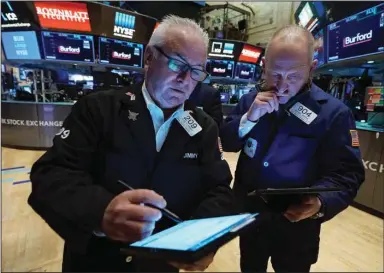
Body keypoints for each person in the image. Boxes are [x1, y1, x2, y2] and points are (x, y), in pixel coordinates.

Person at [28, 15, 235, 272]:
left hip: (161, 264)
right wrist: (100, 210)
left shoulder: (204, 127)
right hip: (96, 262)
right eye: (177, 63)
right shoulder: (98, 109)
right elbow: (50, 175)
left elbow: (219, 190)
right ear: (149, 57)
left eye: (195, 71)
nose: (185, 80)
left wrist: (203, 240)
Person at [220, 25, 365, 272]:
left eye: (294, 76)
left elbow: (348, 174)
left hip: (296, 228)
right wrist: (250, 119)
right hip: (250, 218)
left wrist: (320, 201)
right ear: (264, 65)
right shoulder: (249, 100)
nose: (283, 85)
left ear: (312, 68)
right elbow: (229, 142)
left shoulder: (334, 114)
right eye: (275, 74)